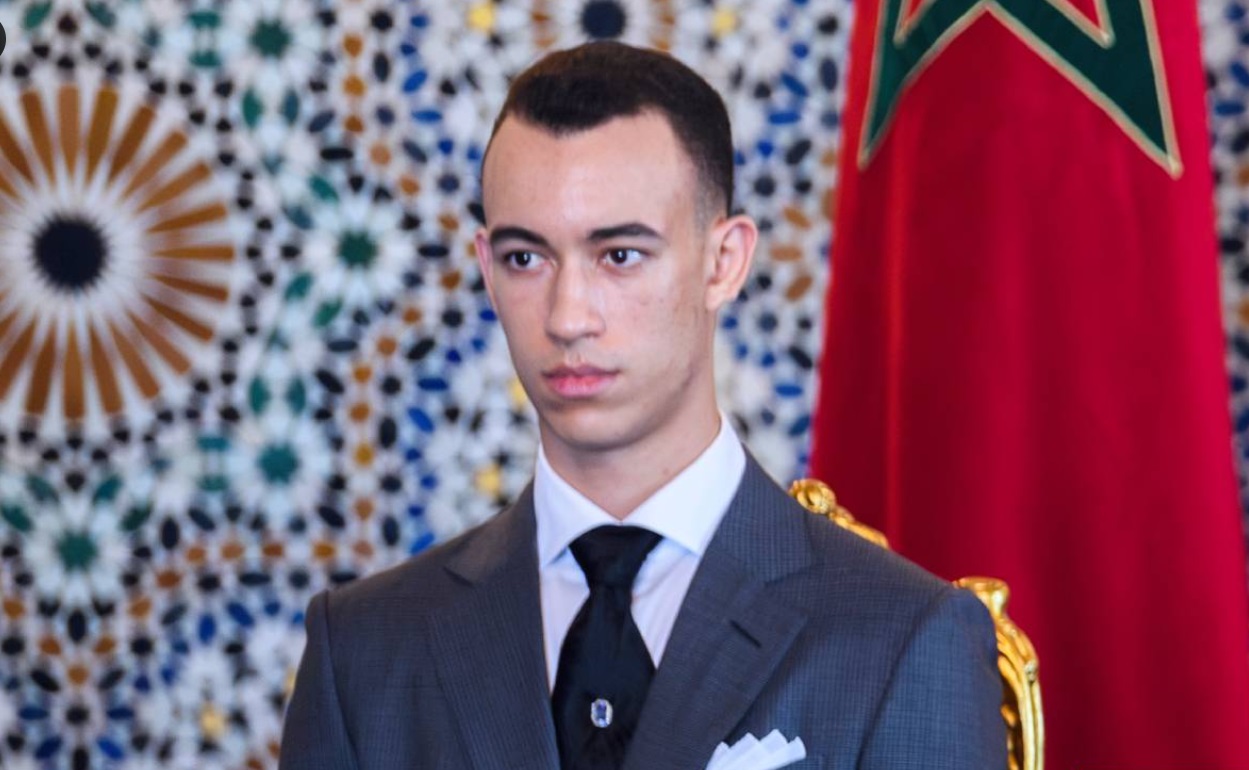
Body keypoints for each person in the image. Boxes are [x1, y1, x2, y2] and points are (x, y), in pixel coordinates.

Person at [279, 41, 1006, 770]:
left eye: (619, 255)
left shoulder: (903, 639)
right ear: (487, 272)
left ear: (723, 263)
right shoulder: (363, 651)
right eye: (525, 258)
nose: (568, 317)